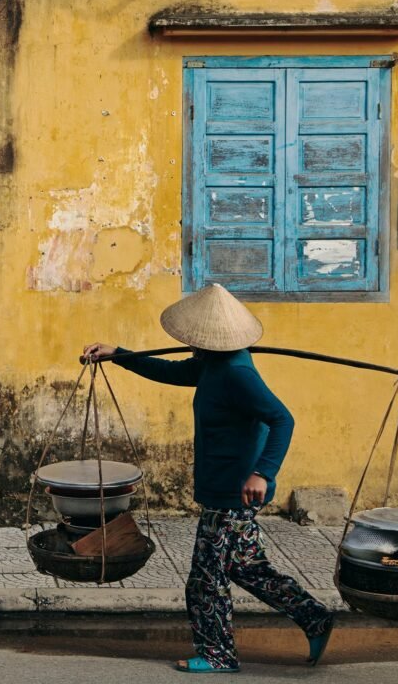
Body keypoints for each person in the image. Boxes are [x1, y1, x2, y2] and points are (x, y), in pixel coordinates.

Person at [83, 283, 333, 674]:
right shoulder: (213, 364)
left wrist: (262, 473)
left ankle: (218, 654)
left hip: (234, 492)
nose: (189, 344)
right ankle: (314, 617)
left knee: (204, 580)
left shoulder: (236, 373)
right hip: (223, 488)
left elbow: (282, 419)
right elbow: (169, 370)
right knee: (246, 567)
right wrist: (119, 354)